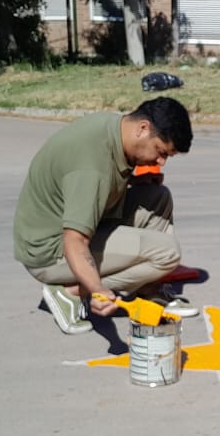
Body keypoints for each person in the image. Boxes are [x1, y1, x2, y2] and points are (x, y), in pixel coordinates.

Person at [13, 97, 198, 335]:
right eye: (161, 152)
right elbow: (75, 240)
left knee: (157, 196)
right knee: (167, 253)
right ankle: (69, 294)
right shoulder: (92, 167)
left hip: (66, 229)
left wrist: (132, 182)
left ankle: (149, 290)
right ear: (143, 128)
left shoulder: (115, 129)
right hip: (50, 252)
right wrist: (97, 290)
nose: (161, 161)